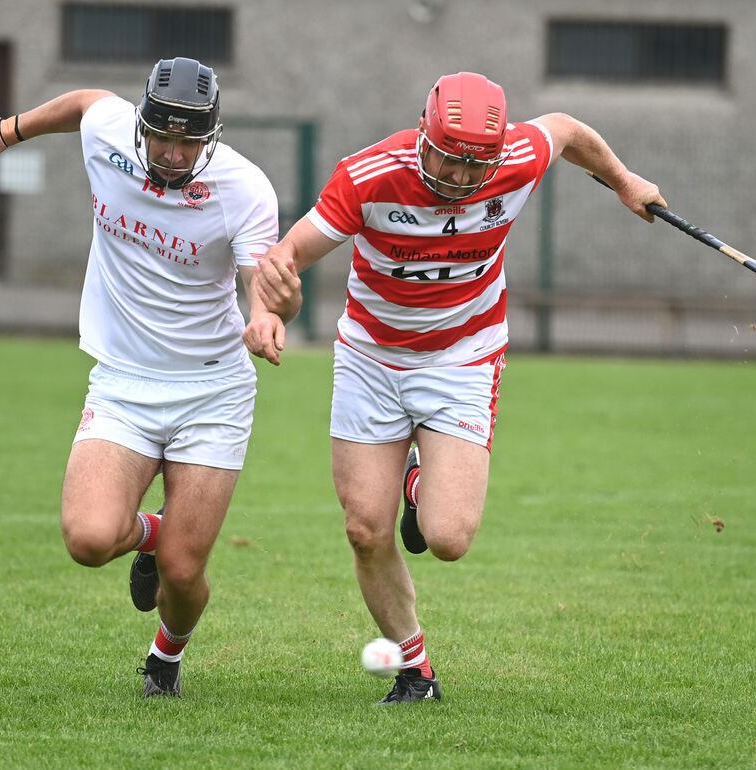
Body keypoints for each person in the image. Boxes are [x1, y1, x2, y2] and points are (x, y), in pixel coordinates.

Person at [244, 72, 665, 704]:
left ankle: (418, 482)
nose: (464, 177)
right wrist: (267, 310)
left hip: (462, 358)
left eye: (478, 164)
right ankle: (415, 670)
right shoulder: (367, 177)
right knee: (365, 529)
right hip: (371, 357)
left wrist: (625, 182)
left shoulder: (517, 159)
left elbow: (569, 132)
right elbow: (286, 256)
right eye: (451, 157)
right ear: (423, 130)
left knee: (447, 539)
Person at [0, 57, 280, 698]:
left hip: (212, 389)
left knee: (184, 574)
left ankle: (166, 656)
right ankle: (152, 534)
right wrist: (8, 129)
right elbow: (83, 101)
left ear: (211, 138)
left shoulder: (244, 188)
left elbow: (258, 277)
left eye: (190, 141)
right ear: (141, 125)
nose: (174, 152)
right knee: (89, 537)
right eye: (163, 136)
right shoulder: (109, 132)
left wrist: (268, 315)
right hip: (124, 380)